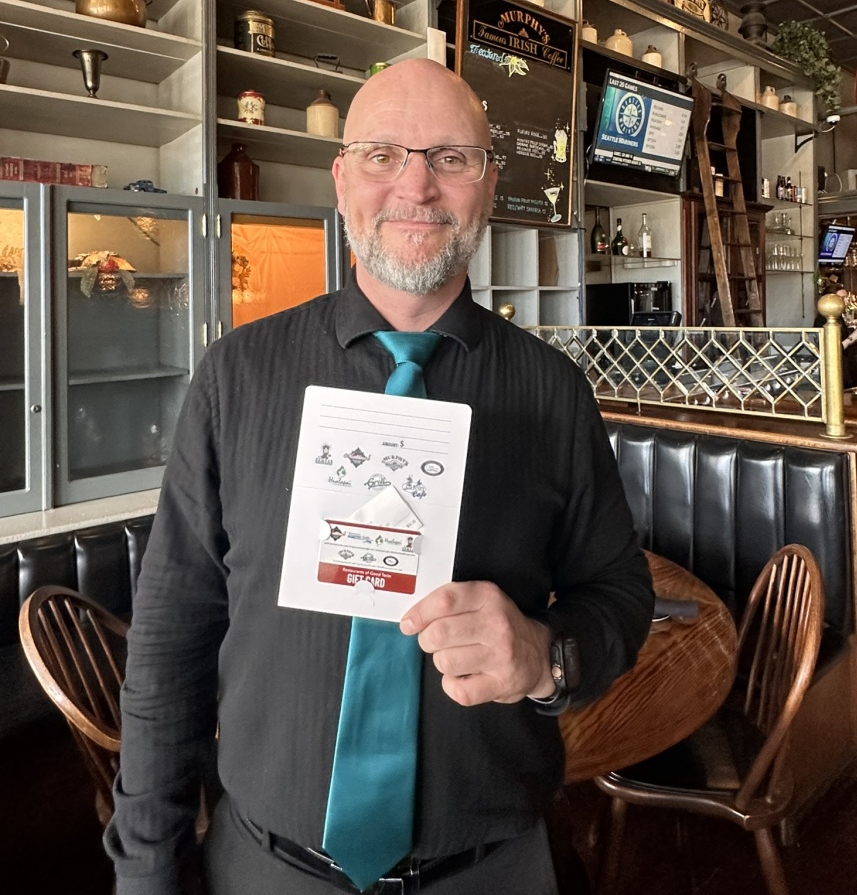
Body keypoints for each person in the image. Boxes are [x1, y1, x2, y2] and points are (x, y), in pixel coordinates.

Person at [105, 58, 653, 894]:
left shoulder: (554, 391)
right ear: (341, 180)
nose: (416, 186)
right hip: (264, 868)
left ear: (489, 185)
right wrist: (147, 871)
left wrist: (548, 657)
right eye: (382, 154)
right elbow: (171, 634)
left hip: (494, 869)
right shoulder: (237, 377)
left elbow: (619, 592)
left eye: (452, 157)